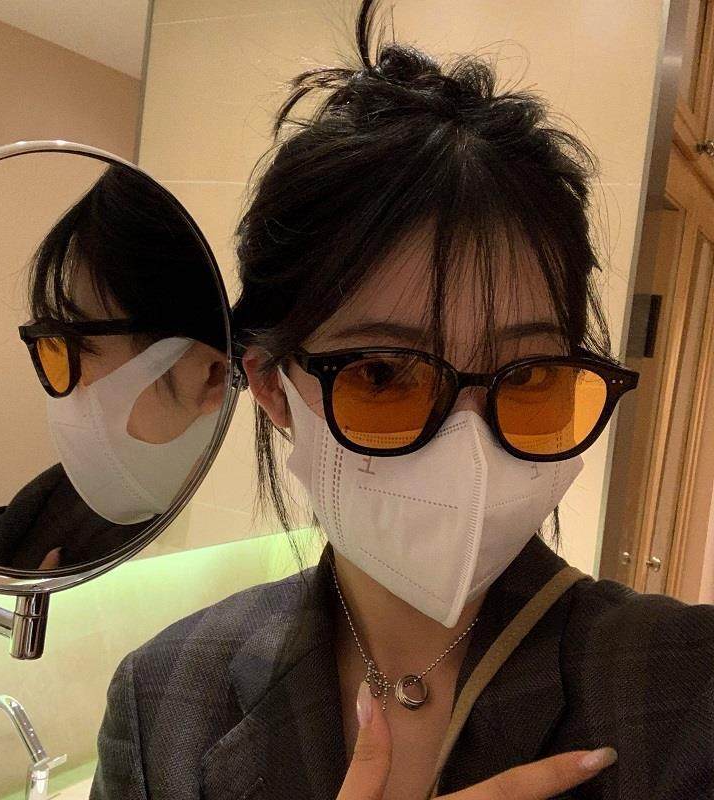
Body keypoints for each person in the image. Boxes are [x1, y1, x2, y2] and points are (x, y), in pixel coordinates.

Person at [90, 2, 714, 798]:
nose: (470, 444)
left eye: (529, 376)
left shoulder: (687, 688)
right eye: (385, 374)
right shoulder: (163, 698)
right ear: (274, 388)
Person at [0, 165, 229, 571]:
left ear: (211, 375)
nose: (63, 390)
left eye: (74, 347)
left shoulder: (237, 548)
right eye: (52, 348)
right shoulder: (64, 498)